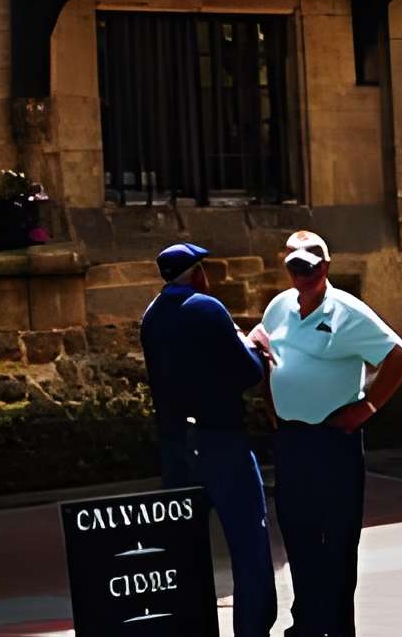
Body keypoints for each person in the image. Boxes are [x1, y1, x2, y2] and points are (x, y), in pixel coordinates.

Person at [250, 229, 402, 637]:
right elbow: (266, 349)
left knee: (337, 540)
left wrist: (367, 407)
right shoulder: (280, 305)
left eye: (311, 267)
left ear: (325, 266)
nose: (303, 275)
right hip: (292, 440)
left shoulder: (346, 311)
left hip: (332, 441)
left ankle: (338, 628)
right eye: (295, 267)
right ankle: (307, 624)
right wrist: (272, 400)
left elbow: (400, 356)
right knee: (298, 534)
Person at [137, 240, 276, 637]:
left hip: (176, 446)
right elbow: (249, 372)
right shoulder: (208, 308)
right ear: (197, 274)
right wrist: (252, 344)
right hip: (222, 440)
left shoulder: (151, 317)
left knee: (185, 549)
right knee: (249, 543)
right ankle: (252, 629)